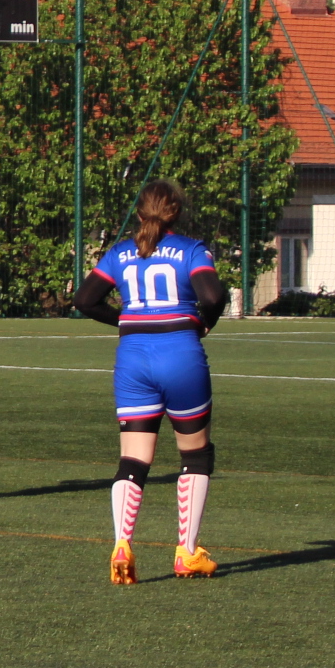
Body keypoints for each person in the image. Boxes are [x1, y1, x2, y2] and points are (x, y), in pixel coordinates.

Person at [73, 179, 227, 582]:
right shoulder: (191, 250)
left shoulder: (120, 252)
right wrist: (205, 323)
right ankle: (187, 553)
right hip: (180, 355)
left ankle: (121, 544)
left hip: (133, 359)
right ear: (176, 211)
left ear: (140, 212)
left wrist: (125, 319)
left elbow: (84, 299)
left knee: (133, 458)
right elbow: (213, 296)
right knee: (196, 455)